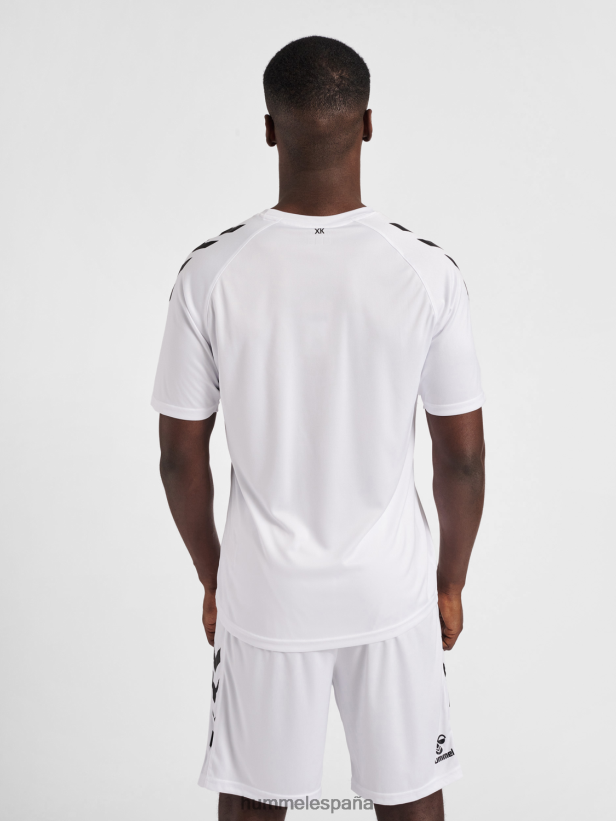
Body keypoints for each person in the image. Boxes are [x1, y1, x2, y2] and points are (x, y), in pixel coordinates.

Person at [152, 35, 485, 821]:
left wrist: (215, 576)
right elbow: (462, 457)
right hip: (390, 591)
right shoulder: (426, 271)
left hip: (268, 594)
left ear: (270, 129)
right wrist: (450, 580)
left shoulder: (210, 273)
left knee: (255, 802)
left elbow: (179, 457)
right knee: (411, 799)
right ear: (367, 124)